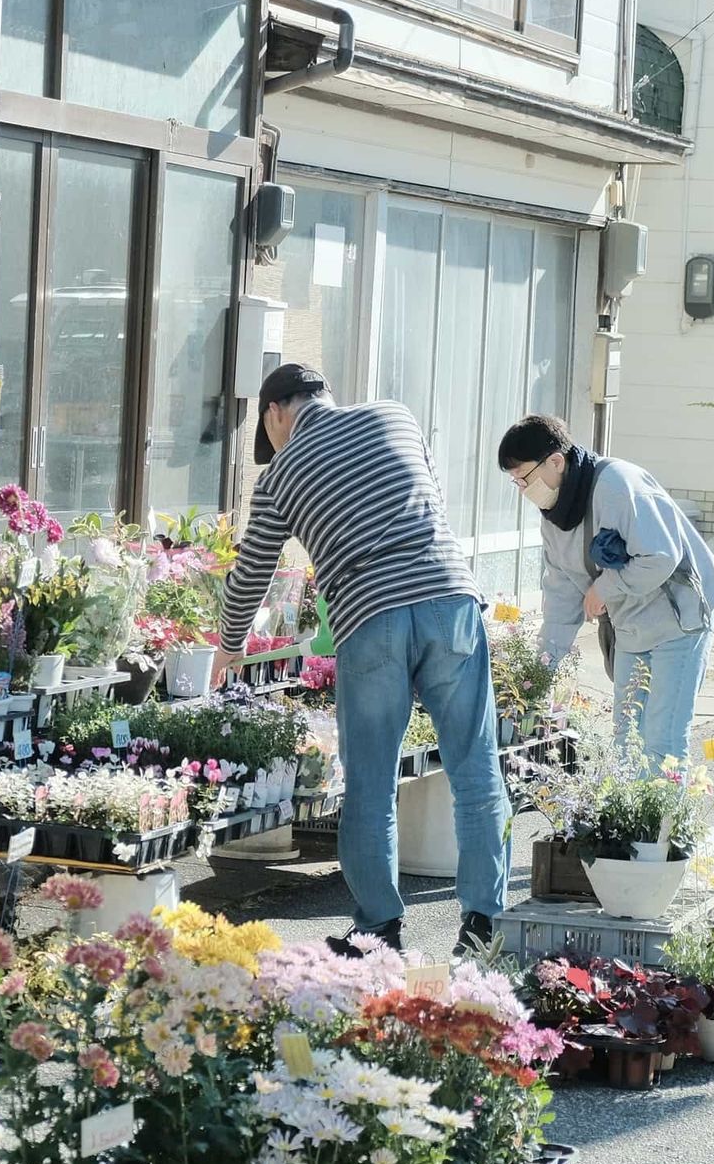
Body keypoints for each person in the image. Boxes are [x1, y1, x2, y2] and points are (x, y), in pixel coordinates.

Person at [213, 364, 510, 955]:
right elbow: (433, 499)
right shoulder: (395, 415)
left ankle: (378, 927)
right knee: (475, 771)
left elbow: (252, 572)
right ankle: (483, 925)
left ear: (275, 414)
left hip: (370, 614)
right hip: (448, 597)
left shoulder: (278, 479)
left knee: (372, 784)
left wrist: (228, 645)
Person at [498, 414, 714, 770]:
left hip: (679, 622)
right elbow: (561, 598)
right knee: (626, 740)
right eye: (516, 482)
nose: (523, 489)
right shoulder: (554, 517)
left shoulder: (618, 485)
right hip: (631, 630)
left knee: (661, 741)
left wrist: (605, 587)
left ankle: (664, 827)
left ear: (556, 461)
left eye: (524, 478)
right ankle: (629, 826)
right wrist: (539, 675)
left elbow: (661, 555)